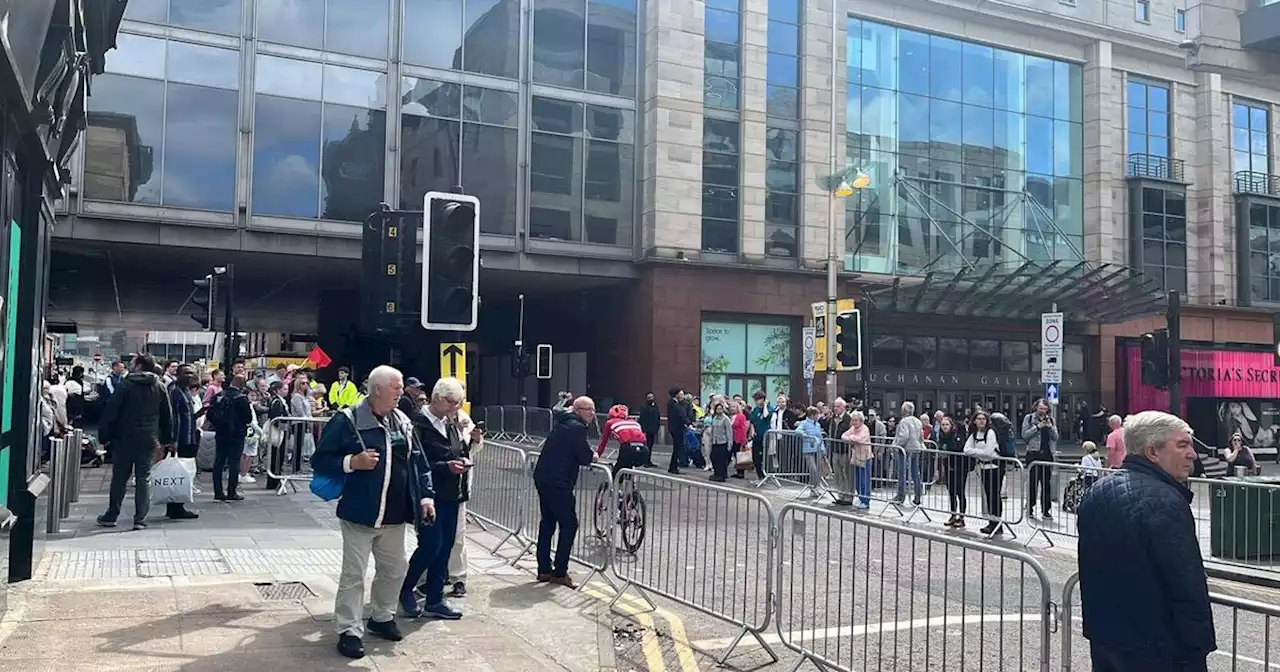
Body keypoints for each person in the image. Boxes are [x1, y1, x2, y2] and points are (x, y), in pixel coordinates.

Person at [312, 365, 436, 660]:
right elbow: (320, 459)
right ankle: (349, 630)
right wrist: (352, 462)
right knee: (354, 576)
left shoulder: (403, 420)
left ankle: (382, 617)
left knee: (394, 570)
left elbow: (418, 461)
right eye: (396, 387)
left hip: (394, 515)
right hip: (360, 514)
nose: (401, 392)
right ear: (377, 389)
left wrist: (426, 496)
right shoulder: (348, 419)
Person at [1077, 411, 1215, 670]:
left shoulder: (1097, 490)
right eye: (1182, 445)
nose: (1192, 454)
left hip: (1106, 639)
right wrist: (1198, 649)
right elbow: (1185, 583)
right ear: (1153, 452)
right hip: (1158, 648)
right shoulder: (1165, 501)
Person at [400, 377, 481, 620]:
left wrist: (464, 458)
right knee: (430, 546)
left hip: (452, 494)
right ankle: (405, 589)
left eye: (458, 403)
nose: (456, 408)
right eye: (452, 403)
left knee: (445, 546)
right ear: (438, 398)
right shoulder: (417, 424)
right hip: (429, 496)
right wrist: (446, 466)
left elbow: (458, 450)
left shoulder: (450, 424)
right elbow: (416, 464)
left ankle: (435, 599)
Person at [96, 354, 174, 530]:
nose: (129, 366)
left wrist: (104, 435)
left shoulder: (126, 385)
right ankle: (140, 518)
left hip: (124, 438)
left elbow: (112, 411)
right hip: (148, 438)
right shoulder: (159, 386)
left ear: (139, 366)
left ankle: (112, 515)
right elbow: (167, 415)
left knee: (120, 478)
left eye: (132, 363)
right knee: (143, 478)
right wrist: (167, 439)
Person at [533, 395, 597, 588]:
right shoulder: (576, 427)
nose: (592, 414)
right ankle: (560, 571)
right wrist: (593, 455)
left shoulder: (564, 423)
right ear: (577, 410)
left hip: (544, 476)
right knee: (569, 524)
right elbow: (584, 456)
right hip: (558, 481)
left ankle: (544, 568)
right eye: (588, 409)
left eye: (593, 409)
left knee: (548, 522)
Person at [165, 364, 201, 520]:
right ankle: (175, 507)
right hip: (180, 439)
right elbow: (173, 416)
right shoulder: (174, 391)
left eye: (192, 373)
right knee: (177, 472)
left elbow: (187, 415)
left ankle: (178, 505)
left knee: (184, 472)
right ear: (179, 374)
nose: (189, 375)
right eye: (186, 373)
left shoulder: (186, 390)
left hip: (189, 436)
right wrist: (173, 440)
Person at [208, 375, 253, 502]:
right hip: (236, 434)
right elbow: (248, 418)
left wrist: (219, 424)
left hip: (221, 433)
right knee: (234, 462)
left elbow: (210, 414)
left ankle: (218, 492)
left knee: (219, 462)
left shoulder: (219, 396)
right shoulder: (242, 398)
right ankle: (231, 492)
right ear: (242, 385)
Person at [1021, 399, 1059, 520]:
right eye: (1041, 408)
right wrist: (1038, 427)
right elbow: (1024, 435)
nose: (1043, 411)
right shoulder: (1029, 418)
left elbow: (1056, 437)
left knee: (1046, 483)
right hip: (1033, 453)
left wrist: (1050, 427)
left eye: (1045, 409)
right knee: (1033, 482)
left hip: (1047, 454)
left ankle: (1046, 510)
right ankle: (1030, 508)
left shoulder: (1051, 420)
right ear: (1036, 408)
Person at [597, 404, 648, 478]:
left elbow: (603, 442)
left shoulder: (610, 422)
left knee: (617, 474)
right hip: (644, 450)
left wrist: (597, 455)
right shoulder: (635, 422)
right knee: (628, 468)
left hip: (627, 449)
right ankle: (632, 486)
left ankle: (614, 486)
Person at [892, 401, 923, 506]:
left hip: (905, 449)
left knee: (902, 472)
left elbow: (904, 436)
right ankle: (918, 496)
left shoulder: (904, 422)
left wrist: (896, 445)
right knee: (915, 472)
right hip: (916, 448)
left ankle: (900, 496)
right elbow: (921, 436)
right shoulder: (918, 421)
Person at [666, 388, 690, 474]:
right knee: (677, 448)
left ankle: (672, 466)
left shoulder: (672, 403)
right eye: (680, 394)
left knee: (676, 448)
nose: (682, 395)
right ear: (676, 395)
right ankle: (673, 467)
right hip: (677, 428)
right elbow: (682, 414)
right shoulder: (674, 404)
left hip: (674, 427)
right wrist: (688, 423)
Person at [637, 393, 661, 467]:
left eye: (652, 397)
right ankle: (645, 461)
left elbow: (657, 417)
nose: (651, 399)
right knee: (646, 446)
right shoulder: (644, 407)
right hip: (646, 430)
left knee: (650, 446)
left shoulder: (656, 407)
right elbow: (642, 419)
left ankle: (648, 460)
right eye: (649, 397)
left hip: (653, 429)